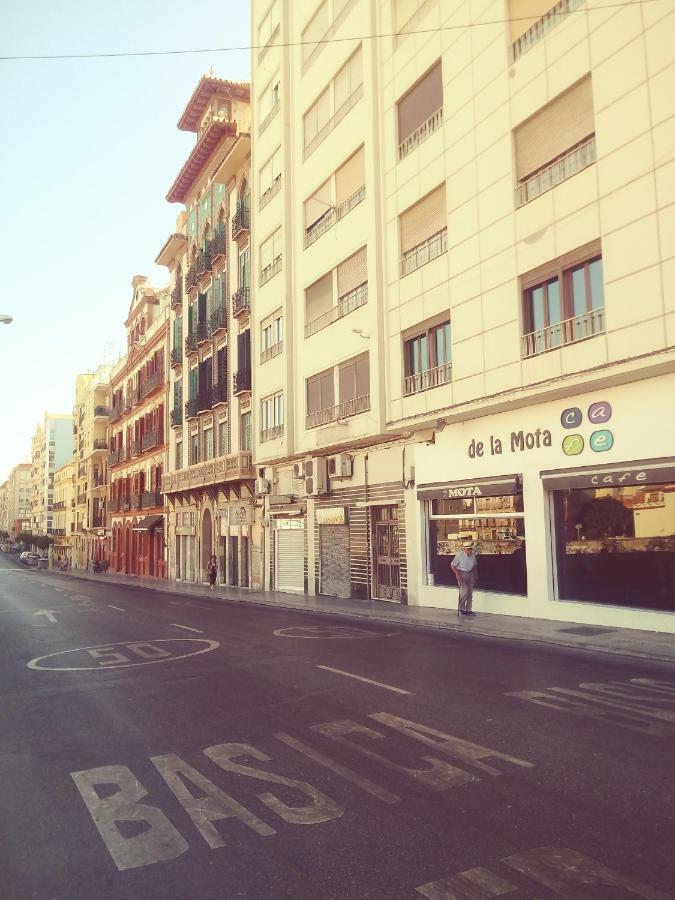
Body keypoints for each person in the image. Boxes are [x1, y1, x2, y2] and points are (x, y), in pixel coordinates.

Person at [451, 540, 478, 616]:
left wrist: (476, 575)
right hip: (461, 574)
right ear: (465, 549)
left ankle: (468, 610)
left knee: (470, 593)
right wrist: (457, 575)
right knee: (464, 592)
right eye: (468, 549)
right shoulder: (459, 555)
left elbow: (474, 566)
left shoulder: (473, 556)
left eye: (471, 549)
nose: (470, 550)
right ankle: (462, 608)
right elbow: (452, 566)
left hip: (470, 574)